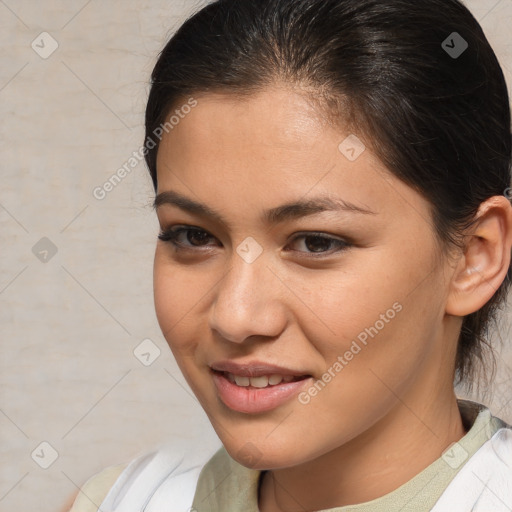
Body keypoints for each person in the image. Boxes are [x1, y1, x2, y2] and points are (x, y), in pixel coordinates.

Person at [68, 0, 512, 510]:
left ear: (475, 257)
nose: (235, 317)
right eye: (193, 236)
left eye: (315, 242)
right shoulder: (116, 501)